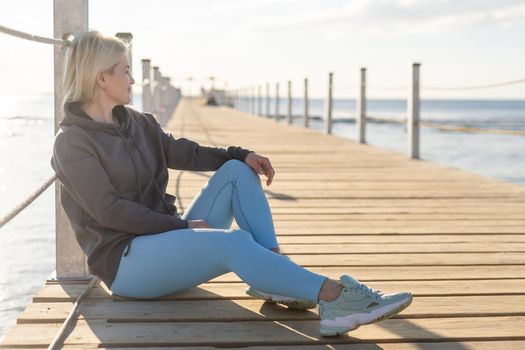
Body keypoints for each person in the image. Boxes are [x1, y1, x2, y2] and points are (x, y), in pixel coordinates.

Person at [50, 30, 412, 337]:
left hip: (164, 240)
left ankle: (274, 274)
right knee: (235, 242)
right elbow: (110, 212)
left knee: (238, 171)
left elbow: (184, 153)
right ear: (101, 78)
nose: (132, 79)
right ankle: (333, 297)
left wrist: (242, 154)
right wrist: (183, 225)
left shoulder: (138, 122)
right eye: (125, 71)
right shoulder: (72, 142)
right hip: (127, 264)